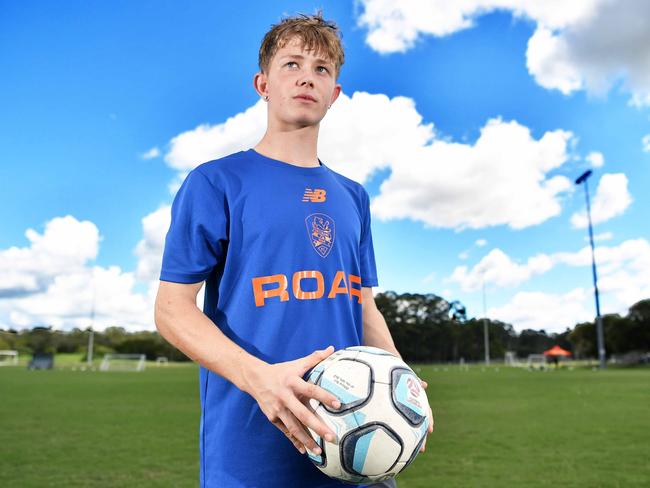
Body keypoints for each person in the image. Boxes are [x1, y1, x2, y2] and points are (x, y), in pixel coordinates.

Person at [154, 11, 433, 488]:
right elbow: (172, 310)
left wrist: (403, 382)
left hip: (358, 444)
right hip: (251, 448)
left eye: (322, 69)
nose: (308, 76)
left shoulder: (353, 196)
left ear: (335, 94)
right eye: (292, 64)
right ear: (262, 83)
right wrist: (261, 379)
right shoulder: (216, 182)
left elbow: (363, 305)